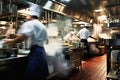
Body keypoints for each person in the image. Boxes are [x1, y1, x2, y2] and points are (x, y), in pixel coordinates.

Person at [3, 3, 49, 80]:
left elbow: (20, 39)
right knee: (41, 76)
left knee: (32, 76)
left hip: (36, 53)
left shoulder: (30, 23)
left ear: (30, 15)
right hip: (42, 53)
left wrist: (7, 41)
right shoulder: (42, 26)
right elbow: (47, 41)